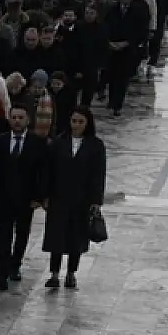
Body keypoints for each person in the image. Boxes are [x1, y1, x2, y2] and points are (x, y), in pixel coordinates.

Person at [0, 105, 48, 290]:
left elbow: (42, 172)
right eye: (14, 117)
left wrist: (39, 196)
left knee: (21, 233)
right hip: (3, 198)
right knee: (3, 236)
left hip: (26, 198)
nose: (17, 121)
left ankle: (15, 265)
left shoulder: (37, 143)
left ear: (28, 120)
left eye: (21, 117)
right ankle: (1, 273)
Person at [43, 106, 106, 289]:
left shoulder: (96, 146)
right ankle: (54, 273)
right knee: (56, 236)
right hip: (59, 196)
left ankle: (71, 273)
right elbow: (49, 171)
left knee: (76, 237)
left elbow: (98, 174)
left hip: (82, 199)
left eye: (80, 122)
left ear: (87, 123)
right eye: (74, 121)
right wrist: (45, 194)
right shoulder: (58, 143)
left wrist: (96, 200)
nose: (76, 125)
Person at [105, 0, 149, 116]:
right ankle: (112, 100)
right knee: (112, 76)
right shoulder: (113, 10)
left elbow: (141, 31)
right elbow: (106, 26)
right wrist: (109, 43)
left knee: (122, 78)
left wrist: (127, 43)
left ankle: (118, 104)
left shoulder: (138, 11)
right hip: (112, 48)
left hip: (128, 50)